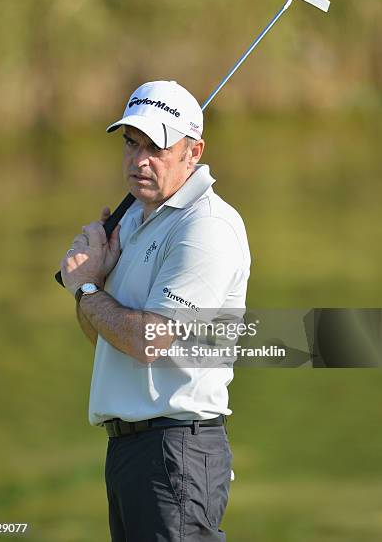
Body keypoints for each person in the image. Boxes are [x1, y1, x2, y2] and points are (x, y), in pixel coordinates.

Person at [60, 80, 251, 541]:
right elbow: (108, 339)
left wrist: (86, 287)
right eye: (132, 143)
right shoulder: (133, 220)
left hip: (176, 453)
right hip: (130, 452)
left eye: (157, 147)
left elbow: (148, 342)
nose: (139, 160)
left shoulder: (206, 227)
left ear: (194, 151)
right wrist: (95, 282)